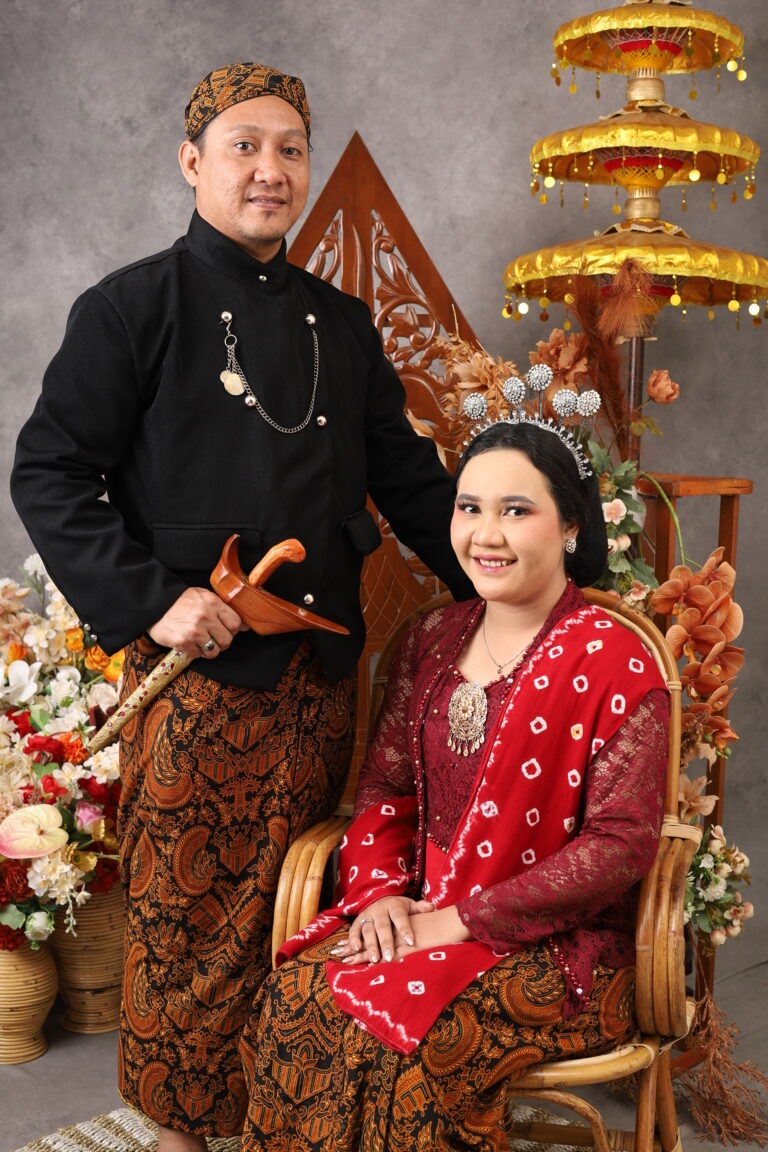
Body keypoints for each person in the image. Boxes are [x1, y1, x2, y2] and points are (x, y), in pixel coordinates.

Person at [10, 62, 471, 1151]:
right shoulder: (131, 307)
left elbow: (411, 484)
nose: (271, 170)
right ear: (193, 162)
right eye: (244, 146)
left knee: (296, 907)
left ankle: (276, 1117)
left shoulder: (341, 323)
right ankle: (180, 1134)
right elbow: (49, 473)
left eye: (290, 149)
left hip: (322, 676)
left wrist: (527, 582)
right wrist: (153, 602)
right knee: (186, 923)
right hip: (201, 677)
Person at [238, 416, 671, 1152]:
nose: (485, 535)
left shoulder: (616, 661)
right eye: (470, 508)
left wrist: (462, 920)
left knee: (405, 1041)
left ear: (571, 525)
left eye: (516, 510)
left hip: (557, 946)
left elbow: (620, 847)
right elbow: (385, 790)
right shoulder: (431, 640)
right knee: (295, 996)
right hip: (415, 913)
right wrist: (378, 899)